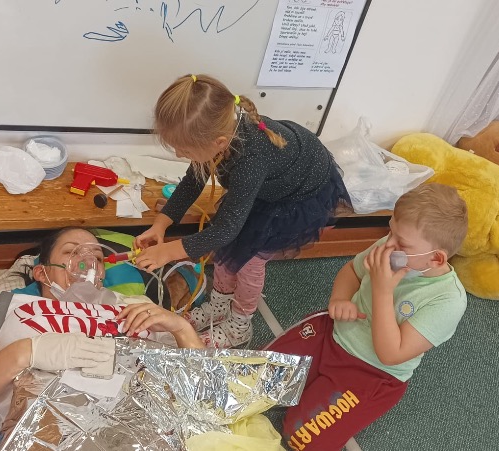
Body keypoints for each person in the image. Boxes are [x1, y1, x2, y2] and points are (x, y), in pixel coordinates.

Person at [0, 227, 202, 450]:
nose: (86, 261)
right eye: (70, 252)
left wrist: (182, 330)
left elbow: (204, 399)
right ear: (41, 272)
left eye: (97, 257)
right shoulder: (3, 307)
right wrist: (23, 353)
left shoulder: (135, 306)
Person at [134, 74, 350, 348]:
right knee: (227, 248)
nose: (179, 154)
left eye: (184, 150)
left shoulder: (251, 159)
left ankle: (240, 325)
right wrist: (161, 225)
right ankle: (220, 306)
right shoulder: (220, 137)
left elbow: (225, 230)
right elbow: (193, 181)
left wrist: (168, 252)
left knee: (249, 260)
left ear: (219, 143)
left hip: (297, 195)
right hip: (265, 186)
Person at [264, 184, 469, 451]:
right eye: (390, 231)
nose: (388, 244)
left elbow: (390, 354)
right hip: (331, 335)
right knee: (250, 381)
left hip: (371, 374)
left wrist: (383, 290)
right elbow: (352, 270)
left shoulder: (448, 300)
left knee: (300, 437)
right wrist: (340, 299)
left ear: (436, 259)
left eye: (401, 243)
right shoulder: (390, 248)